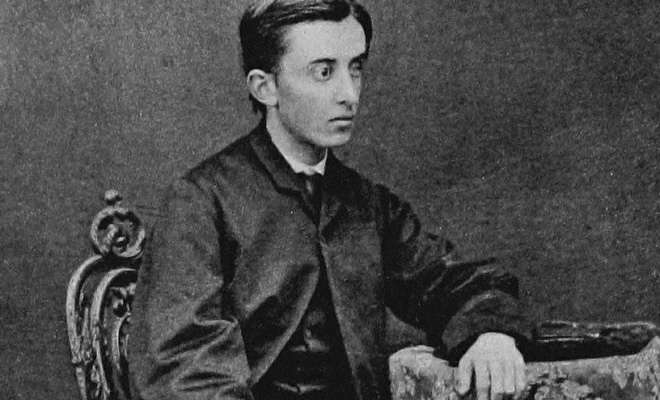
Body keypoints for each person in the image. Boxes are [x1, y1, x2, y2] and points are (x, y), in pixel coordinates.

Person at [128, 1, 531, 399]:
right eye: (324, 72)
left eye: (355, 68)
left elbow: (453, 282)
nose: (349, 94)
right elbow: (183, 372)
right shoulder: (201, 201)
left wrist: (489, 334)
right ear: (265, 87)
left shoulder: (367, 205)